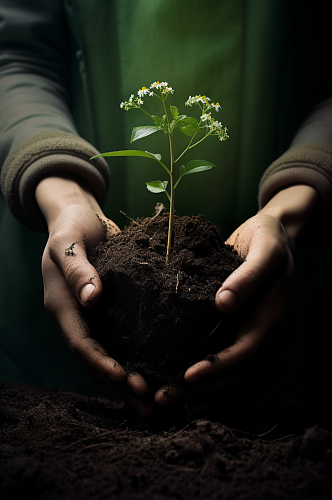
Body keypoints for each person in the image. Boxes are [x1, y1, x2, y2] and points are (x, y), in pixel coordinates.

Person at [0, 0, 331, 418]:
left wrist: (289, 209)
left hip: (301, 310)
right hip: (45, 350)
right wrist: (67, 198)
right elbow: (15, 53)